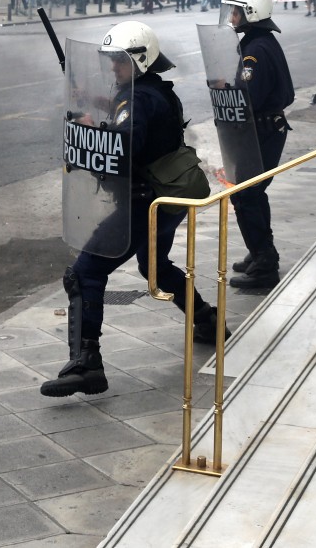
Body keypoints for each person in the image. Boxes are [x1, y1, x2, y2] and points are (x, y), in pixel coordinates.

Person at [40, 21, 227, 399]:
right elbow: (134, 120)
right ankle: (207, 320)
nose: (113, 69)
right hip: (166, 197)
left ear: (140, 61)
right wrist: (94, 103)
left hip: (144, 202)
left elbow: (125, 148)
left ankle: (86, 363)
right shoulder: (154, 91)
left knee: (85, 273)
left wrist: (93, 129)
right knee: (154, 266)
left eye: (120, 63)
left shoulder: (137, 99)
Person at [222, 0, 295, 291]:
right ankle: (260, 252)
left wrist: (226, 91)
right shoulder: (259, 41)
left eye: (237, 10)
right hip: (262, 130)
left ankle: (265, 264)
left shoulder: (255, 50)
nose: (233, 15)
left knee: (248, 195)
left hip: (263, 131)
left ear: (251, 12)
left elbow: (248, 95)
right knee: (247, 194)